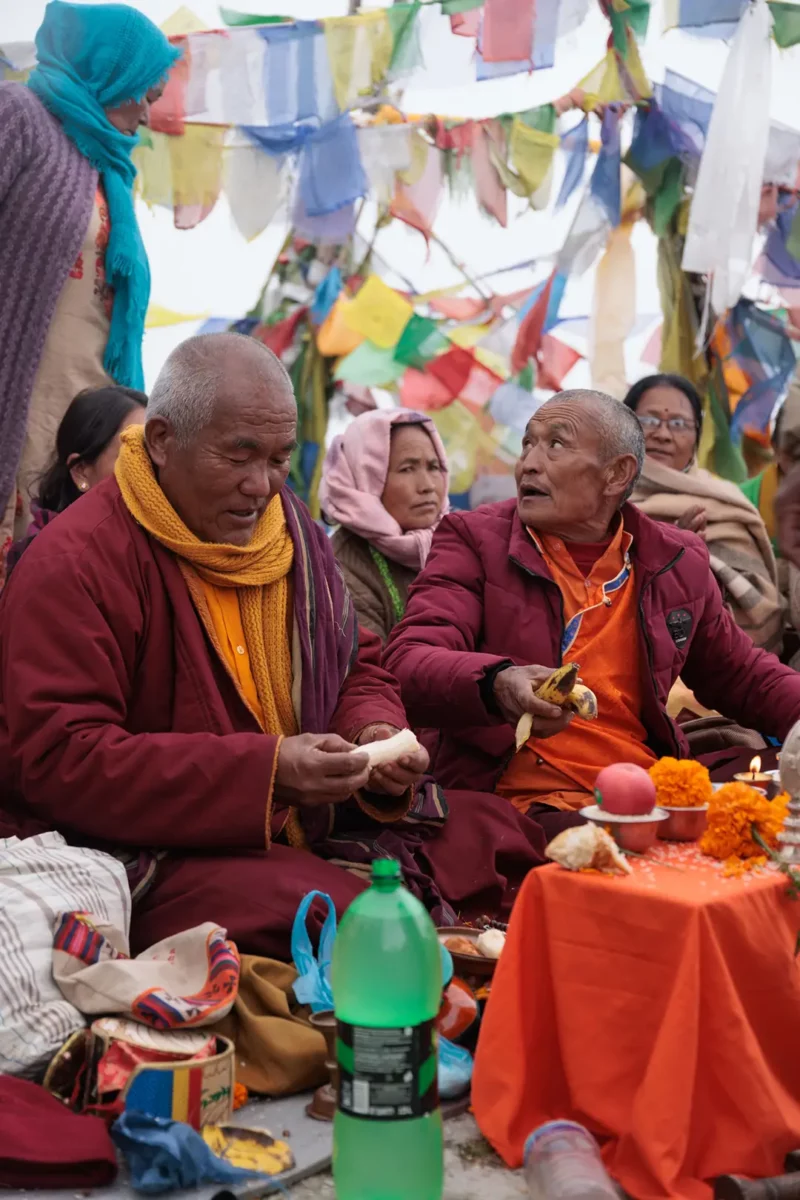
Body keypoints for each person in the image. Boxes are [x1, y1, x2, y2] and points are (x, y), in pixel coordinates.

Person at [0, 333, 555, 959]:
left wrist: (373, 733)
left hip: (310, 821)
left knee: (505, 835)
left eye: (278, 459)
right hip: (153, 846)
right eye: (239, 456)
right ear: (161, 441)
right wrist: (266, 773)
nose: (261, 485)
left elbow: (355, 663)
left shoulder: (290, 532)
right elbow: (58, 759)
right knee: (353, 918)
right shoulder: (77, 560)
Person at [384, 389, 800, 814]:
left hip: (645, 786)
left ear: (617, 474)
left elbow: (742, 675)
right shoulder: (474, 540)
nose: (528, 462)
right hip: (523, 796)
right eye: (528, 443)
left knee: (776, 790)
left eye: (556, 444)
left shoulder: (673, 559)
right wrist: (496, 683)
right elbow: (408, 660)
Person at [0, 1, 181, 584]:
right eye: (145, 95)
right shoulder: (19, 116)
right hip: (19, 401)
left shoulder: (108, 171)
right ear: (111, 73)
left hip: (83, 415)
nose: (150, 116)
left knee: (64, 581)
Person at [623, 373, 782, 653]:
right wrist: (664, 554)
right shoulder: (597, 497)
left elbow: (760, 608)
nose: (662, 434)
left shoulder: (723, 502)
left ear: (697, 435)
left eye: (678, 424)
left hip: (711, 675)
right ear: (622, 427)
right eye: (648, 421)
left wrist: (689, 563)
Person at [319, 409, 449, 642]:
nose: (427, 485)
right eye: (407, 469)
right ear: (365, 478)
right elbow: (370, 669)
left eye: (433, 467)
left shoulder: (456, 543)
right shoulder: (339, 569)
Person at [6, 385, 146, 577]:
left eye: (153, 456)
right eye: (133, 455)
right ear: (81, 471)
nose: (149, 471)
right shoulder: (50, 564)